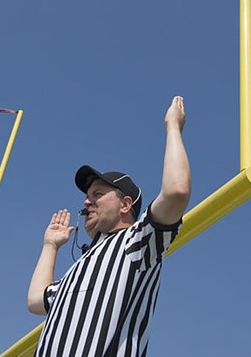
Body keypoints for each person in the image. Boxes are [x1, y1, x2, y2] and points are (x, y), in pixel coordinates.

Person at [27, 96, 191, 357]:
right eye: (87, 194)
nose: (86, 201)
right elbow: (37, 301)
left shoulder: (135, 244)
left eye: (98, 194)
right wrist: (50, 247)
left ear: (125, 204)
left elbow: (176, 192)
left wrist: (173, 128)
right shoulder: (78, 270)